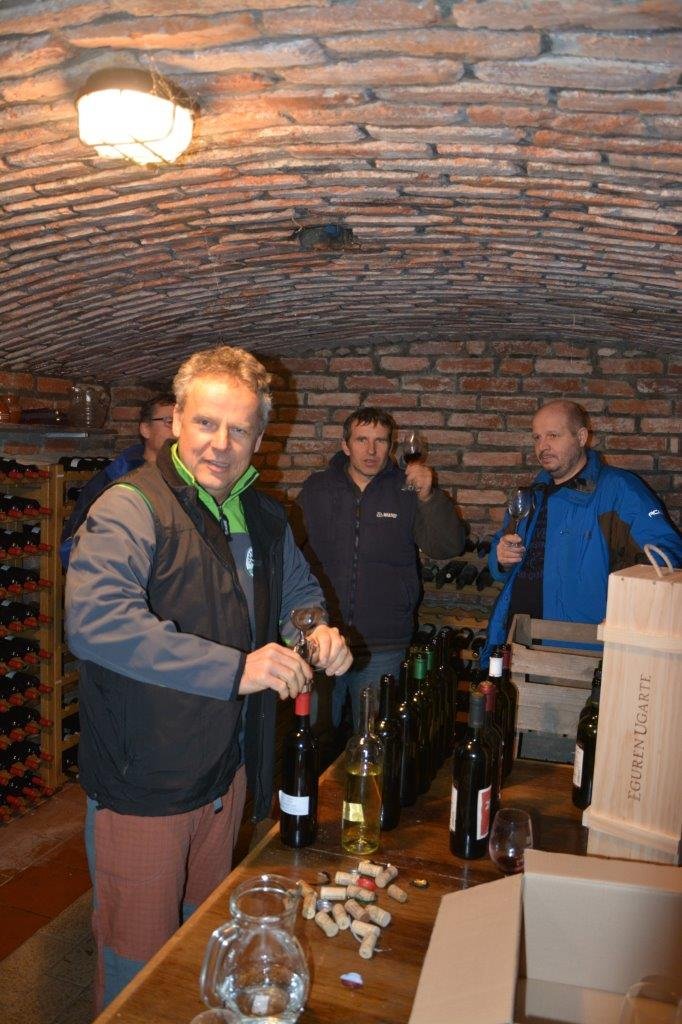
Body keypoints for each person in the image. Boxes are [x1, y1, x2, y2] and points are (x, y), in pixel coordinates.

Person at [65, 346, 351, 1011]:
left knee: (204, 945)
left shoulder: (265, 516)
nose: (220, 445)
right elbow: (97, 623)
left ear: (259, 437)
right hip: (146, 783)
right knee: (136, 966)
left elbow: (299, 597)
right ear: (176, 421)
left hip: (227, 773)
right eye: (205, 423)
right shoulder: (131, 506)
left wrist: (315, 631)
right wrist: (236, 668)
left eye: (239, 429)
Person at [297, 406, 465, 731]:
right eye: (362, 440)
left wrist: (429, 496)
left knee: (375, 740)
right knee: (315, 738)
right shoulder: (317, 488)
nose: (371, 450)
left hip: (383, 645)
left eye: (380, 441)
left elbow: (447, 546)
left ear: (391, 445)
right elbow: (290, 549)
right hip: (323, 640)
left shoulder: (406, 489)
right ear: (345, 445)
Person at [482, 399, 682, 664]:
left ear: (581, 437)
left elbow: (666, 558)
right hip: (514, 641)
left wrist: (627, 617)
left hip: (578, 651)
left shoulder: (620, 490)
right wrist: (501, 559)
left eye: (553, 435)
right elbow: (499, 558)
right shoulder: (532, 494)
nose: (543, 446)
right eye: (537, 437)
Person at [59, 392, 175, 566]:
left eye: (183, 422)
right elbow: (71, 548)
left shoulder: (197, 480)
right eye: (169, 421)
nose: (178, 430)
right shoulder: (112, 479)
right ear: (145, 429)